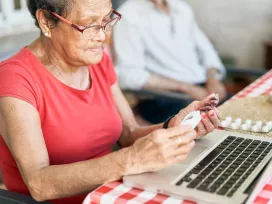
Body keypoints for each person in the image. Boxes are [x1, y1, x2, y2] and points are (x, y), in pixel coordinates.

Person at [0, 0, 221, 203]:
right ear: (46, 21)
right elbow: (39, 184)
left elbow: (128, 134)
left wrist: (174, 126)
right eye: (88, 25)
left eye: (107, 21)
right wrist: (131, 160)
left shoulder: (97, 59)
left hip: (113, 194)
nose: (103, 37)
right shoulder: (15, 78)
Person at [113, 0, 228, 124]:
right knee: (222, 128)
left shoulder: (181, 7)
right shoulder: (128, 14)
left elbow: (207, 51)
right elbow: (128, 75)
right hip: (168, 98)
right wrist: (185, 88)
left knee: (242, 116)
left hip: (203, 88)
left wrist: (213, 79)